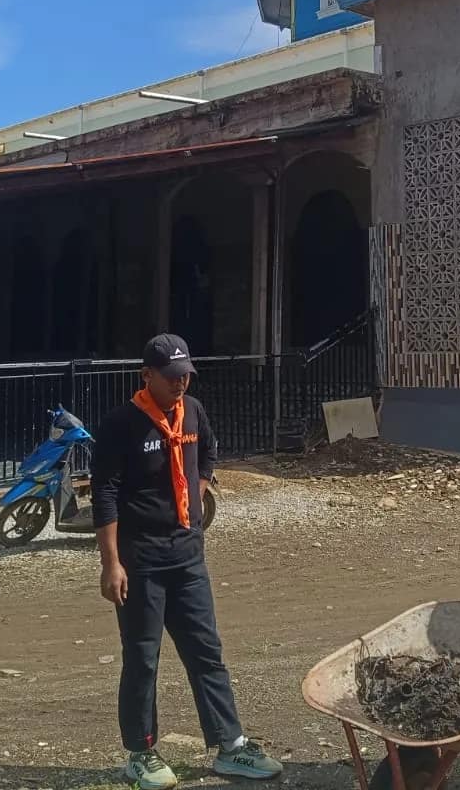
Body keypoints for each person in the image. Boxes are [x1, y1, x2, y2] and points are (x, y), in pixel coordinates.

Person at [90, 334, 283, 790]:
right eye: (172, 376)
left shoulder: (192, 410)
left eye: (186, 375)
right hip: (142, 561)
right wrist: (111, 563)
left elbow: (208, 451)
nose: (181, 383)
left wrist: (197, 494)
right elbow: (105, 494)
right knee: (143, 658)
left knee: (206, 651)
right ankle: (140, 753)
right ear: (147, 375)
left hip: (188, 556)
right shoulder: (121, 424)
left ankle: (231, 746)